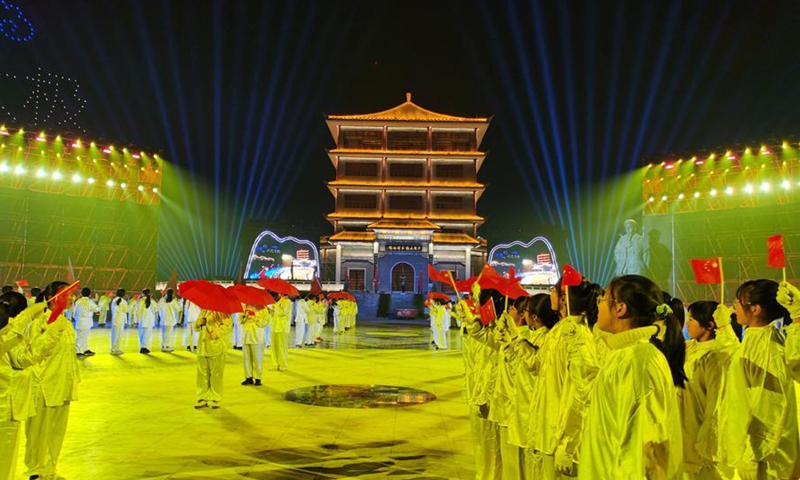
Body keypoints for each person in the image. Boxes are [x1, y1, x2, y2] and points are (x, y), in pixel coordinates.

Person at [579, 275, 685, 480]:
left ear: (620, 308)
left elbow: (644, 452)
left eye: (603, 299)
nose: (598, 304)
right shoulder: (624, 355)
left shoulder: (639, 361)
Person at [724, 279, 799, 480]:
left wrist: (754, 450)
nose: (734, 307)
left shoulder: (765, 347)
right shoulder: (756, 339)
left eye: (738, 302)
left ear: (755, 309)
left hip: (765, 458)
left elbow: (770, 404)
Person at [530, 277, 602, 478]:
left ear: (564, 297)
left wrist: (568, 444)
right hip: (548, 432)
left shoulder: (577, 336)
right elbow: (540, 369)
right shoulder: (560, 331)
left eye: (553, 289)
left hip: (562, 439)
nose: (550, 293)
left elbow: (583, 394)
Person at [0, 292, 61, 480]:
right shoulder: (9, 335)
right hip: (5, 408)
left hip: (7, 404)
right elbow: (22, 358)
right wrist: (49, 336)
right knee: (5, 459)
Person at [24, 281, 81, 480]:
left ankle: (49, 468)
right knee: (38, 431)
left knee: (57, 431)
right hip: (44, 385)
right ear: (52, 298)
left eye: (72, 294)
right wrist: (52, 327)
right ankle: (36, 470)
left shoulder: (65, 322)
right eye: (66, 294)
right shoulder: (40, 322)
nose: (71, 298)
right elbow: (35, 352)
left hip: (62, 385)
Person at [681, 301, 738, 480]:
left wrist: (708, 440)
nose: (687, 324)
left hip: (700, 433)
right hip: (684, 427)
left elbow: (716, 402)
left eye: (692, 319)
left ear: (710, 324)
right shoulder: (689, 348)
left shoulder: (715, 356)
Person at [194, 309, 232, 409]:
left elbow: (227, 326)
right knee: (202, 374)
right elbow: (196, 327)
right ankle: (202, 397)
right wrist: (198, 323)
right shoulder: (203, 311)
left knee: (216, 374)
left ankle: (215, 398)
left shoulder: (223, 312)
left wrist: (214, 333)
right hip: (202, 346)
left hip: (216, 347)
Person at [241, 306, 270, 386]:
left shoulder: (262, 309)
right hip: (246, 335)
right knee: (246, 358)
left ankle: (258, 378)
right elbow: (239, 320)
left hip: (257, 336)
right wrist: (245, 316)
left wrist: (255, 316)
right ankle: (248, 377)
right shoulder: (244, 307)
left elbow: (264, 322)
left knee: (257, 359)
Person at [72, 287, 100, 357]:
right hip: (86, 322)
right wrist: (100, 307)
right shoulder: (89, 302)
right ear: (89, 294)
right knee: (81, 337)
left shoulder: (78, 301)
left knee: (83, 336)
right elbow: (96, 309)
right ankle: (77, 351)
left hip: (79, 322)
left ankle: (85, 349)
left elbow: (74, 312)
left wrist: (77, 319)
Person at [271, 294, 292, 370]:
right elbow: (275, 313)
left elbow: (283, 312)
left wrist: (275, 306)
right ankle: (275, 364)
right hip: (275, 326)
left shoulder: (287, 302)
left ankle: (283, 364)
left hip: (282, 327)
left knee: (282, 346)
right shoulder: (279, 301)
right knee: (274, 346)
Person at [138, 289, 158, 354]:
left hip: (142, 319)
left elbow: (137, 310)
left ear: (143, 294)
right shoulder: (152, 301)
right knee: (147, 334)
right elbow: (157, 309)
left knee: (142, 334)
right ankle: (144, 347)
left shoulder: (140, 301)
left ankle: (142, 346)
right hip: (150, 320)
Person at [110, 289, 129, 355]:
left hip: (115, 320)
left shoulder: (114, 300)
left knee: (114, 335)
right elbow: (126, 310)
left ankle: (114, 348)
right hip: (120, 320)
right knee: (119, 335)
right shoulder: (123, 301)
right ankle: (116, 349)